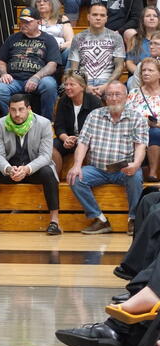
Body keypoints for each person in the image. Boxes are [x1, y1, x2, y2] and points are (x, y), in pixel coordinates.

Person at [67, 81, 147, 235]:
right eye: (110, 95)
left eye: (118, 94)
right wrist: (77, 165)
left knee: (136, 175)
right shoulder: (94, 115)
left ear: (126, 97)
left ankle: (134, 219)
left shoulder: (137, 118)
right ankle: (100, 220)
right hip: (97, 169)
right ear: (105, 98)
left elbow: (140, 146)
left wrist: (136, 164)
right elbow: (83, 143)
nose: (114, 98)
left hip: (122, 169)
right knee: (75, 178)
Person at [0, 95, 61, 235]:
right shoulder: (0, 124)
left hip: (33, 169)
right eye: (13, 110)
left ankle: (54, 222)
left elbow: (45, 156)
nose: (17, 114)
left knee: (48, 172)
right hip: (11, 170)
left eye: (21, 109)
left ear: (29, 109)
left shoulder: (44, 123)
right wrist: (8, 169)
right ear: (8, 110)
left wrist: (27, 169)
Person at [0, 8, 61, 119]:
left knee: (49, 85)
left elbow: (52, 65)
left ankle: (46, 121)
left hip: (39, 79)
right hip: (14, 80)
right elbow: (1, 62)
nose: (23, 25)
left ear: (39, 21)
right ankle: (14, 119)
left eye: (28, 22)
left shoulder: (48, 39)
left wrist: (36, 77)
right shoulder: (12, 38)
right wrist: (4, 74)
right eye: (22, 21)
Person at [67, 2, 125, 96]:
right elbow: (74, 68)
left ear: (106, 18)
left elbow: (119, 67)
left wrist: (106, 86)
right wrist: (85, 87)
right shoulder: (78, 38)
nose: (98, 18)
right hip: (84, 81)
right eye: (95, 15)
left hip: (107, 81)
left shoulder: (116, 37)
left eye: (102, 15)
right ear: (88, 17)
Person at [51, 72, 103, 178]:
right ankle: (55, 179)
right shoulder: (63, 101)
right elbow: (59, 126)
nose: (67, 88)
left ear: (82, 87)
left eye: (72, 84)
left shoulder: (95, 102)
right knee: (49, 147)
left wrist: (81, 139)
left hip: (89, 141)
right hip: (68, 139)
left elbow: (99, 129)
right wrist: (66, 138)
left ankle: (89, 177)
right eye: (66, 84)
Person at [126, 59, 160, 181]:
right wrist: (145, 123)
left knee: (154, 132)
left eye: (150, 70)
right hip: (136, 132)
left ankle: (152, 173)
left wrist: (157, 124)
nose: (146, 73)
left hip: (157, 132)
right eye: (144, 70)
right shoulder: (134, 93)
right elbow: (127, 117)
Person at [31, 0, 73, 68]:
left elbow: (71, 41)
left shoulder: (62, 19)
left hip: (59, 53)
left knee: (72, 51)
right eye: (38, 1)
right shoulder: (32, 20)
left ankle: (68, 75)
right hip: (39, 54)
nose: (41, 3)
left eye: (45, 0)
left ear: (52, 2)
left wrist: (57, 47)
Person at [127, 7, 160, 85]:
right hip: (140, 75)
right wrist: (142, 73)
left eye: (155, 16)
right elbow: (129, 62)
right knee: (131, 81)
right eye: (148, 16)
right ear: (142, 20)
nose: (152, 18)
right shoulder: (134, 39)